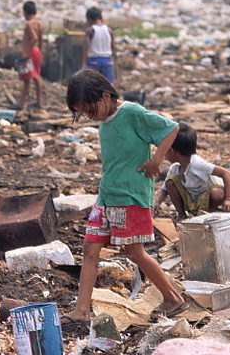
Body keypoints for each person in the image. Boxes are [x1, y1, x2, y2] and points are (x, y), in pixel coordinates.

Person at [63, 68, 186, 324]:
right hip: (107, 195)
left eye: (90, 109)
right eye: (84, 112)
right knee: (90, 249)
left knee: (135, 253)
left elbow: (171, 128)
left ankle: (172, 298)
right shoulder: (104, 120)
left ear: (106, 96)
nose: (89, 115)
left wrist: (156, 160)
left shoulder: (131, 112)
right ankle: (81, 310)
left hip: (130, 196)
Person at [153, 122, 230, 222]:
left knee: (216, 193)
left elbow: (226, 173)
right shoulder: (175, 168)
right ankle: (181, 215)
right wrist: (156, 203)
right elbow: (163, 190)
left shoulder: (197, 163)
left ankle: (213, 214)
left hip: (213, 199)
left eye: (164, 149)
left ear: (171, 151)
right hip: (195, 202)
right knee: (170, 182)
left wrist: (228, 199)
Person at [13, 1, 43, 110]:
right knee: (36, 77)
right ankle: (39, 102)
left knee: (27, 79)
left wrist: (27, 53)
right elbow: (41, 39)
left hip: (30, 52)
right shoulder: (38, 23)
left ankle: (20, 103)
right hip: (37, 52)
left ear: (25, 12)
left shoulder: (29, 24)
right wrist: (39, 51)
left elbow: (34, 38)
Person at [82, 7, 115, 83]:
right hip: (107, 61)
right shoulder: (109, 30)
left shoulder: (90, 30)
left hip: (94, 60)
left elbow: (86, 47)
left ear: (90, 19)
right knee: (108, 85)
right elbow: (113, 46)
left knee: (92, 84)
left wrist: (83, 63)